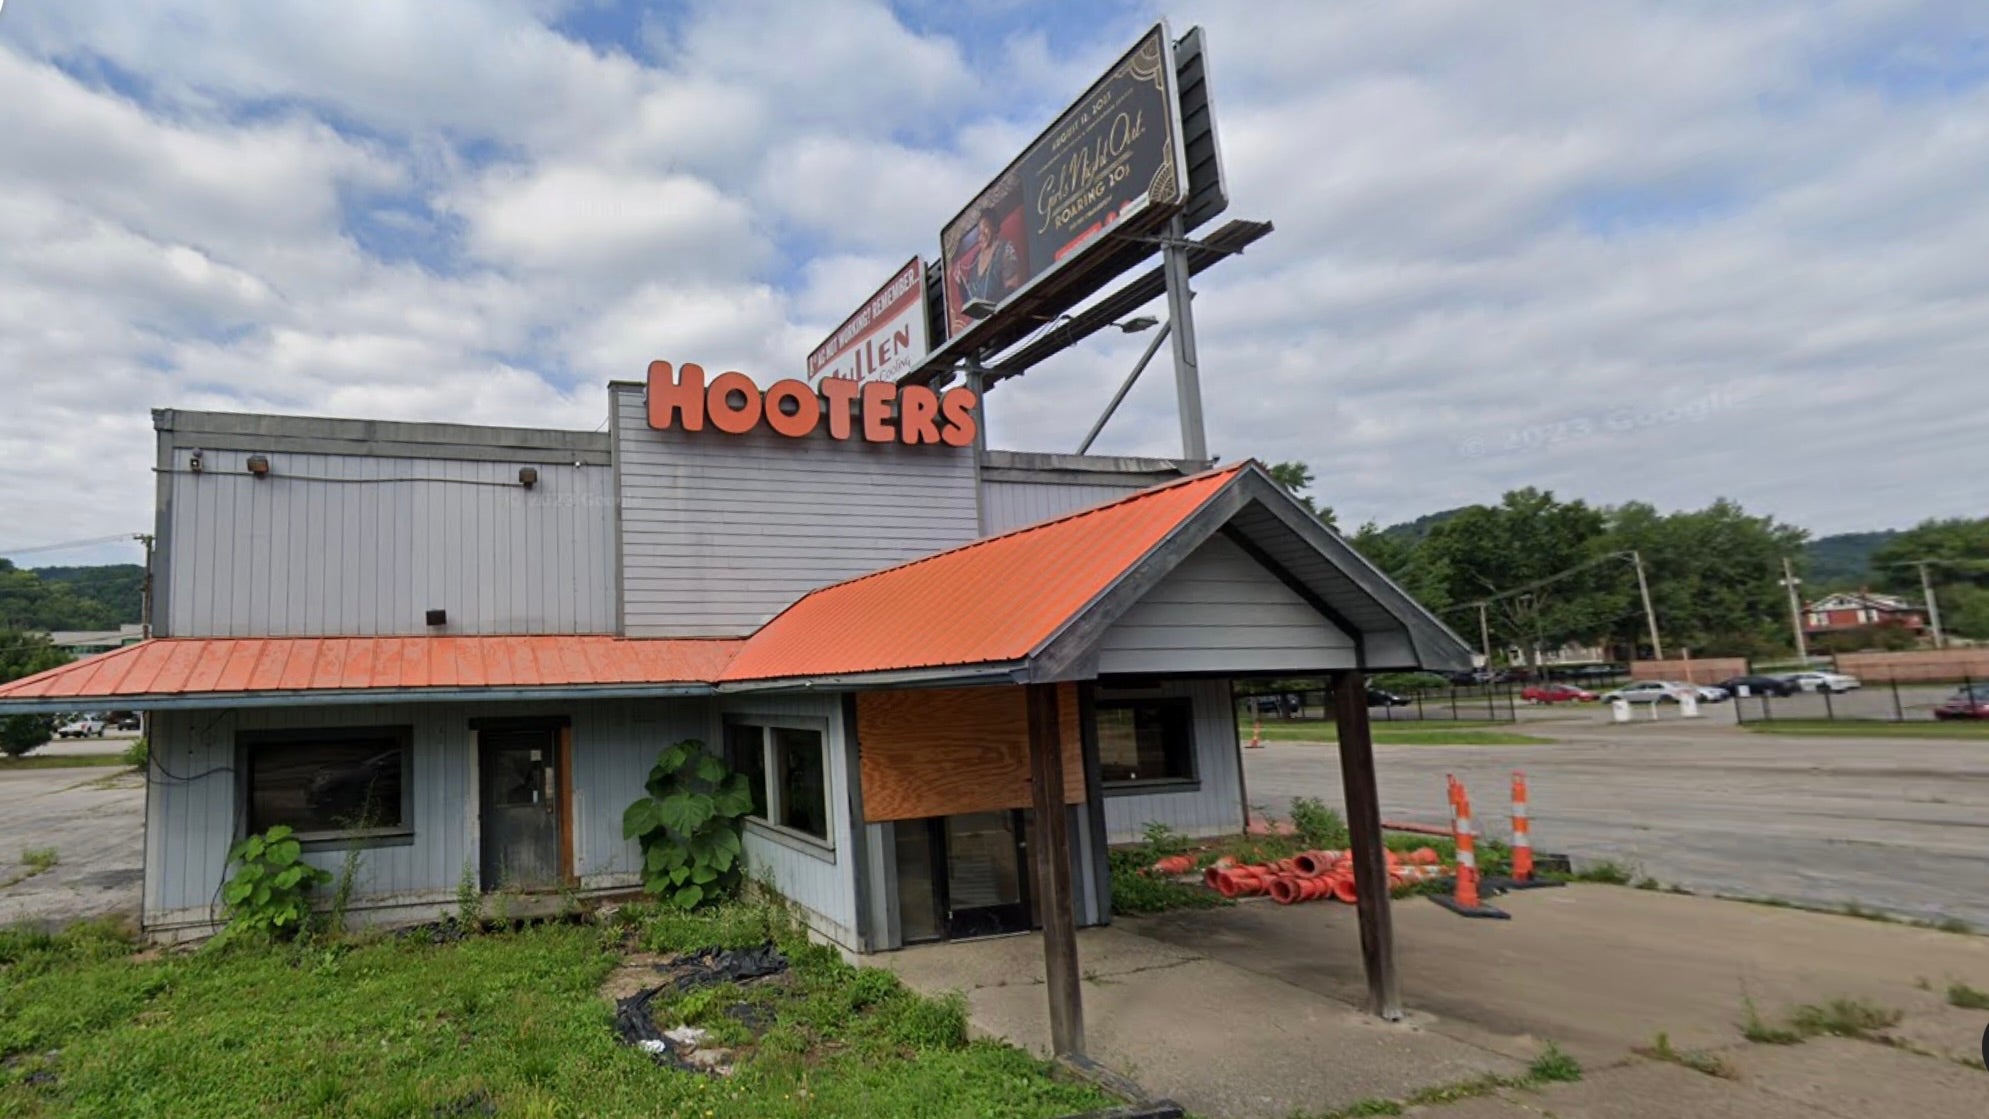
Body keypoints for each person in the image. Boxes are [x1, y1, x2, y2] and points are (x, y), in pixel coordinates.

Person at [957, 209, 1021, 310]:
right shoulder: (976, 258)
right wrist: (961, 284)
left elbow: (1012, 289)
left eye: (985, 228)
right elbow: (969, 300)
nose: (981, 234)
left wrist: (989, 306)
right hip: (980, 323)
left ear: (994, 227)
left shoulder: (1005, 250)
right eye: (979, 231)